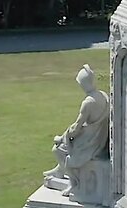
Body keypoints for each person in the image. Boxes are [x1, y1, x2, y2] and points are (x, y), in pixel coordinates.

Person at [44, 64, 109, 196]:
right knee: (64, 143)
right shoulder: (103, 95)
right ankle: (60, 171)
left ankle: (74, 183)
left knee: (57, 149)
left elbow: (76, 128)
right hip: (100, 138)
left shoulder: (88, 103)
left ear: (84, 84)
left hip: (89, 143)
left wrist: (63, 137)